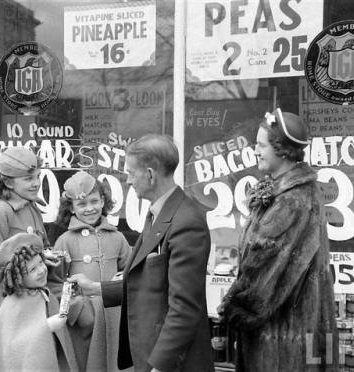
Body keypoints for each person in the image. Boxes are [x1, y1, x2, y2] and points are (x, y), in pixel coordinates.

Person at [69, 134, 213, 372]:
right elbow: (148, 282)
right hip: (150, 355)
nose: (127, 180)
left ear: (150, 175)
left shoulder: (186, 222)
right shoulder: (158, 213)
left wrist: (159, 366)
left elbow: (184, 309)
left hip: (172, 364)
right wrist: (96, 289)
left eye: (131, 172)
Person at [218, 109, 339, 371]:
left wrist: (233, 308)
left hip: (282, 339)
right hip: (286, 330)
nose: (255, 150)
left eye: (261, 145)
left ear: (282, 150)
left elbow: (263, 271)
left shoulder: (291, 201)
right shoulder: (292, 192)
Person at [55, 170, 131, 372]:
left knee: (114, 363)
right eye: (81, 204)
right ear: (71, 208)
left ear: (103, 200)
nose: (89, 208)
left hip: (114, 316)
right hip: (82, 322)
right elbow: (57, 282)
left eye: (94, 201)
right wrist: (75, 311)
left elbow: (131, 273)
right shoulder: (65, 240)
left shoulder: (118, 238)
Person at [0, 146, 59, 327]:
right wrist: (23, 265)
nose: (36, 183)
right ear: (8, 183)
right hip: (7, 303)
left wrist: (47, 256)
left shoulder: (33, 208)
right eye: (28, 179)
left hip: (31, 300)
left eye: (38, 176)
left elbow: (40, 247)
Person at [0, 232, 79, 372]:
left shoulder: (44, 294)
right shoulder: (13, 305)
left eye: (40, 262)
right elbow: (13, 346)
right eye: (32, 270)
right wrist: (47, 326)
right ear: (16, 277)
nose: (41, 271)